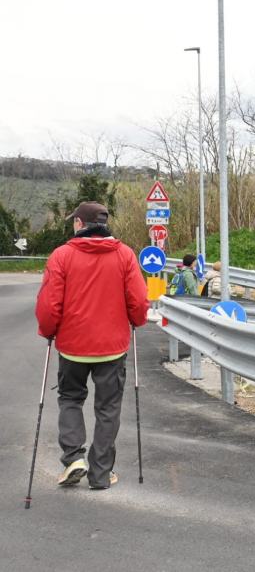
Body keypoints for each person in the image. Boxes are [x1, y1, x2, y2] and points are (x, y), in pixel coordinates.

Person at [35, 201, 149, 490]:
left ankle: (74, 458)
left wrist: (48, 331)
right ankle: (100, 474)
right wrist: (137, 320)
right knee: (108, 409)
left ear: (79, 224)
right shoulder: (124, 255)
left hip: (72, 347)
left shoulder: (61, 256)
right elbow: (138, 300)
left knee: (71, 399)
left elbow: (50, 305)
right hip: (112, 348)